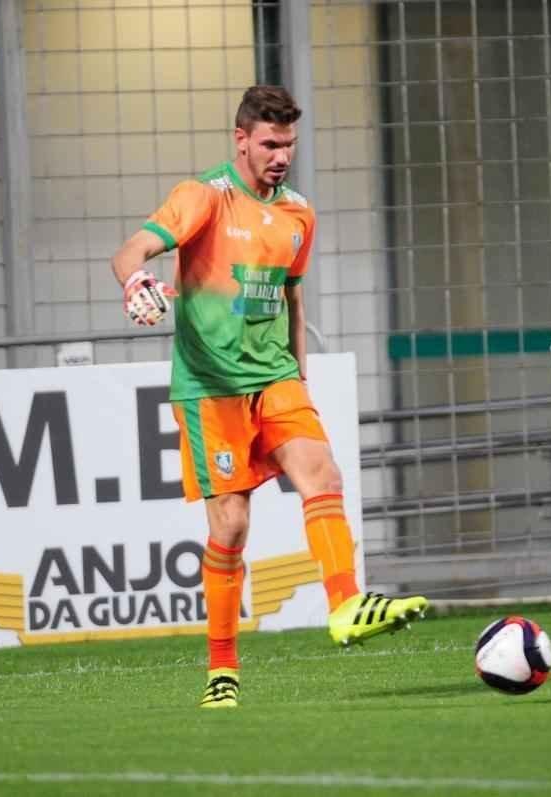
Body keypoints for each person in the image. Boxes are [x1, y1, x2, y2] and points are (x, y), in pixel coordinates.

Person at [110, 85, 427, 709]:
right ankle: (222, 671)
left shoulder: (299, 215)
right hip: (212, 389)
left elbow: (291, 295)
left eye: (289, 145)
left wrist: (299, 380)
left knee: (323, 472)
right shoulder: (202, 196)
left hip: (276, 378)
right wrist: (137, 280)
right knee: (230, 527)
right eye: (270, 144)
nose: (281, 156)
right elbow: (130, 250)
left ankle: (345, 606)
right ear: (242, 140)